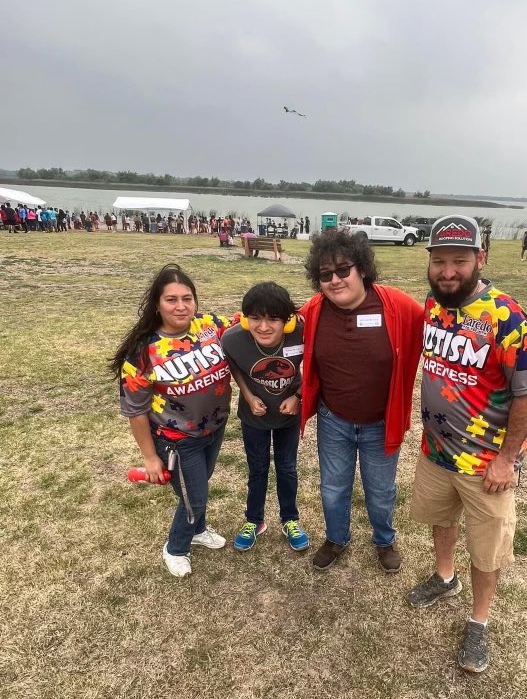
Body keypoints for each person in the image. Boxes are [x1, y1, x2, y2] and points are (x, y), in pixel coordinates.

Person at [406, 215, 527, 674]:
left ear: (479, 259)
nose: (448, 271)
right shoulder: (433, 306)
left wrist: (507, 459)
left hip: (487, 462)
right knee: (440, 521)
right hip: (436, 449)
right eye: (440, 261)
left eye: (459, 261)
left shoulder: (507, 316)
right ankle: (445, 578)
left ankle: (478, 622)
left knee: (486, 549)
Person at [300, 231, 424, 573]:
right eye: (325, 275)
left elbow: (441, 325)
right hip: (333, 419)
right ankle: (337, 538)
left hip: (381, 421)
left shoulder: (397, 306)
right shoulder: (313, 310)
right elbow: (269, 325)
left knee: (381, 491)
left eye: (343, 270)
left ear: (363, 270)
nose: (335, 280)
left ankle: (384, 540)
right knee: (332, 488)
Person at [110, 263, 233, 578]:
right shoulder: (143, 353)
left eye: (187, 298)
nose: (181, 306)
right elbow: (135, 411)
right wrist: (150, 458)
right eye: (172, 299)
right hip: (176, 439)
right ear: (157, 305)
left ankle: (199, 528)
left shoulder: (209, 325)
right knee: (195, 496)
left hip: (214, 428)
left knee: (196, 489)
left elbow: (251, 320)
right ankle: (176, 547)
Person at [222, 282, 309, 554]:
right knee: (257, 469)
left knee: (287, 468)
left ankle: (290, 519)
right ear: (246, 320)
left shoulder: (303, 334)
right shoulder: (233, 339)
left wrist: (298, 397)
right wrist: (247, 395)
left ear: (288, 321)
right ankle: (254, 520)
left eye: (273, 319)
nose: (263, 327)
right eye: (255, 319)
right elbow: (234, 365)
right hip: (254, 418)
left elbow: (320, 367)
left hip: (288, 417)